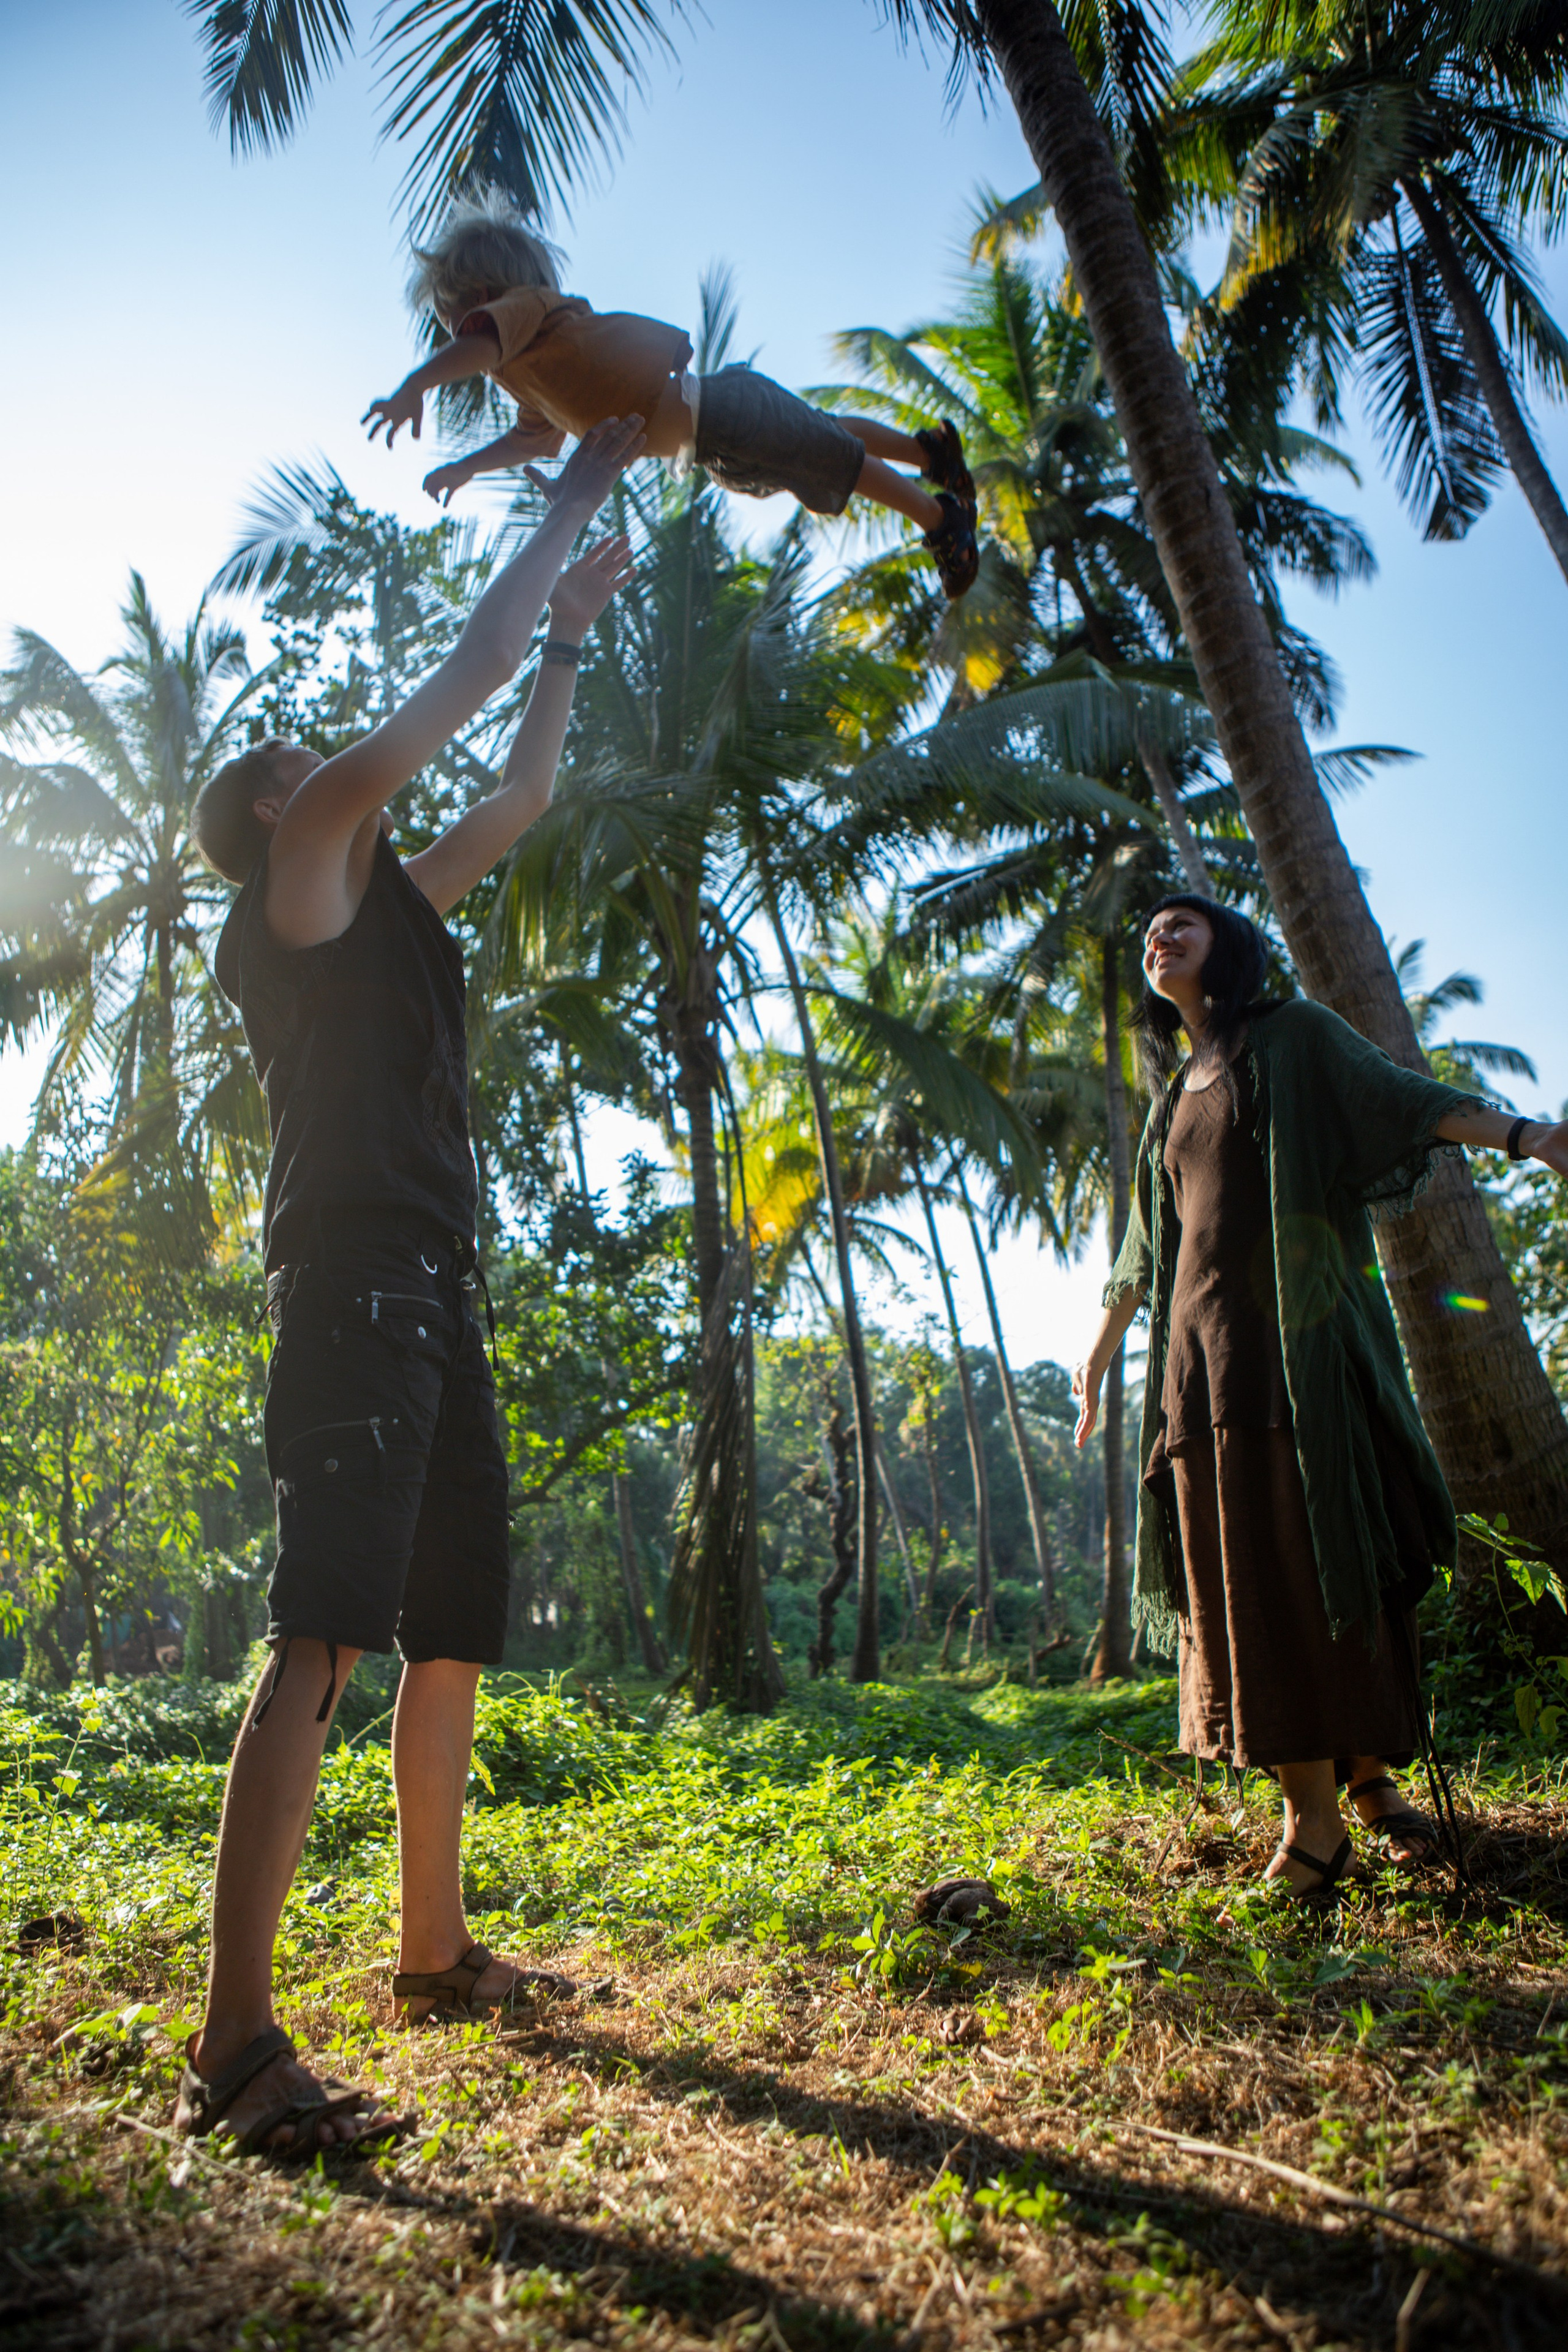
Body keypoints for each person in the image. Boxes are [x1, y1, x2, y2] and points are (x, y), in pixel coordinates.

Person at [175, 415, 643, 2157]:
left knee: (447, 1633)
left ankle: (433, 1952)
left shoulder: (397, 909)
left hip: (438, 1280)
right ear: (276, 811)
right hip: (352, 1280)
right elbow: (461, 676)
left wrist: (575, 634)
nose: (330, 762)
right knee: (324, 1639)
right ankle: (233, 2047)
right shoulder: (300, 879)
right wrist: (575, 482)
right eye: (305, 760)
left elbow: (515, 796)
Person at [1072, 895, 1568, 1898]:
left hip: (1299, 1355)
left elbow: (1402, 1098)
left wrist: (1531, 1136)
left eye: (1183, 926)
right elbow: (1143, 1256)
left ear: (1229, 948)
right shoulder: (1170, 1104)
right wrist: (1095, 1361)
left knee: (1327, 1556)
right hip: (1201, 1372)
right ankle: (1329, 1808)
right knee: (1253, 1576)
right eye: (1151, 934)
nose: (1160, 939)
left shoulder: (1291, 1036)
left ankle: (1345, 1805)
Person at [360, 184, 980, 601]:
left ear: (482, 297)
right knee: (822, 435)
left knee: (830, 457)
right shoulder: (531, 374)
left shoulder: (525, 312)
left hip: (722, 413)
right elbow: (531, 441)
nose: (459, 333)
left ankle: (941, 520)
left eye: (455, 319)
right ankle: (930, 454)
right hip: (715, 444)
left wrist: (415, 387)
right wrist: (467, 468)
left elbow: (479, 346)